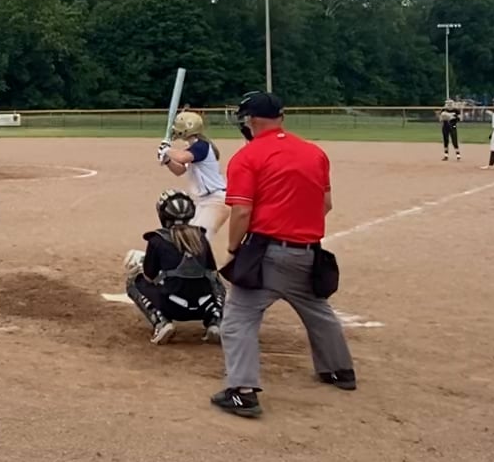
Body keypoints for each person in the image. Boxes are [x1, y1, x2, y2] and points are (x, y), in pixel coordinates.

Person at [212, 91, 356, 419]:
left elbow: (242, 212)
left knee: (238, 318)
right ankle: (339, 371)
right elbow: (325, 204)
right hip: (308, 252)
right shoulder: (314, 152)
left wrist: (234, 249)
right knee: (318, 311)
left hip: (267, 253)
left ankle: (242, 392)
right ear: (281, 117)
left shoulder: (248, 156)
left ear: (251, 120)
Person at [122, 190, 225, 345]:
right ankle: (215, 321)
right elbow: (212, 271)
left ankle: (161, 322)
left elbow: (149, 276)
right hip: (203, 307)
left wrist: (144, 264)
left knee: (134, 281)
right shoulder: (201, 237)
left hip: (172, 307)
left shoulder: (157, 239)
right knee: (216, 280)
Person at [158, 110, 229, 248]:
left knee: (197, 241)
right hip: (202, 201)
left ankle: (201, 262)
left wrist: (166, 150)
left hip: (216, 200)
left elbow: (182, 157)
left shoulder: (201, 146)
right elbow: (180, 170)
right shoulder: (192, 147)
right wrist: (167, 160)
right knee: (189, 238)